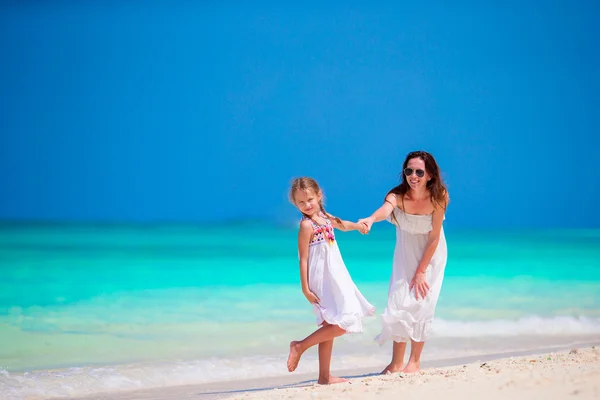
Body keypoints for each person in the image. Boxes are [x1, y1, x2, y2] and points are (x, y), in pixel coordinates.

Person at [359, 151, 448, 374]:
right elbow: (385, 210)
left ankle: (414, 362)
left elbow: (434, 237)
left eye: (419, 172)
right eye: (409, 171)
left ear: (429, 175)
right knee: (398, 301)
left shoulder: (439, 196)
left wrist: (421, 271)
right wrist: (370, 219)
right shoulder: (398, 195)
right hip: (405, 253)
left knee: (421, 302)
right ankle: (396, 363)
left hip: (431, 253)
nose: (413, 176)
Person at [286, 177, 375, 384]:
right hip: (321, 277)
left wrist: (359, 226)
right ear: (296, 204)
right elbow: (303, 259)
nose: (307, 205)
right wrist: (305, 288)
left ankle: (324, 376)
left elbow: (342, 225)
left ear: (319, 196)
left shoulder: (325, 217)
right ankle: (299, 346)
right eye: (301, 202)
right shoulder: (306, 225)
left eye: (309, 199)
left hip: (336, 274)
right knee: (342, 322)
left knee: (330, 324)